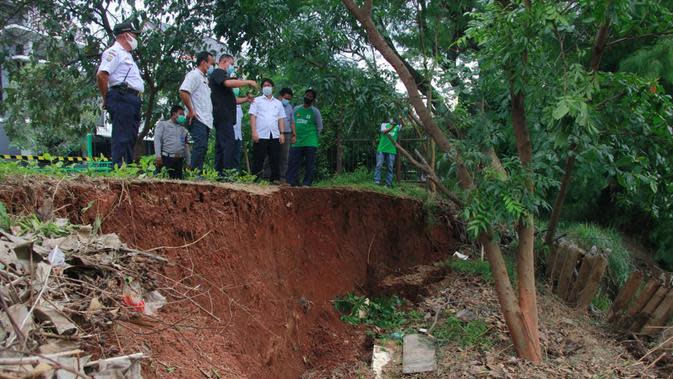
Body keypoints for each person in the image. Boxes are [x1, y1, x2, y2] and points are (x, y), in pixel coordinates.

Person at [96, 22, 144, 167]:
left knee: (130, 136)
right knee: (122, 136)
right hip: (122, 97)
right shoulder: (114, 52)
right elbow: (101, 75)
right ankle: (119, 168)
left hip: (132, 99)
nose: (136, 38)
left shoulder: (126, 55)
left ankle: (126, 167)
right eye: (134, 35)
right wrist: (107, 98)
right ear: (125, 35)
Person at [209, 54, 257, 176]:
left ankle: (219, 173)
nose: (232, 67)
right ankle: (227, 173)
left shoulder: (222, 78)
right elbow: (228, 83)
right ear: (224, 61)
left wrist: (246, 99)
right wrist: (248, 82)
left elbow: (233, 100)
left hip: (225, 116)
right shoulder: (218, 73)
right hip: (223, 115)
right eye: (231, 64)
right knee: (229, 143)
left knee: (221, 145)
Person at [179, 51, 214, 173]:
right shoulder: (193, 75)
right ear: (203, 62)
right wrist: (191, 110)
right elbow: (183, 91)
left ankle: (198, 172)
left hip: (206, 120)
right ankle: (194, 173)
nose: (211, 67)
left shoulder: (204, 78)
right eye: (210, 63)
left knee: (203, 147)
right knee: (200, 145)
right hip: (197, 118)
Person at [249, 79, 285, 183]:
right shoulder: (256, 100)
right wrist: (254, 132)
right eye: (264, 86)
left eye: (268, 85)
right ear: (262, 88)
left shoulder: (278, 103)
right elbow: (253, 117)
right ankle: (255, 179)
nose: (267, 87)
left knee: (275, 158)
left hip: (274, 134)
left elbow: (281, 118)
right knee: (258, 158)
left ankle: (275, 179)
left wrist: (282, 133)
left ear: (272, 87)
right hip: (260, 134)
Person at [286, 89, 323, 187]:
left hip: (310, 141)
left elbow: (320, 127)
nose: (308, 97)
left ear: (313, 99)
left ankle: (307, 183)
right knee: (293, 162)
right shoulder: (296, 109)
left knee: (309, 164)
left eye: (310, 96)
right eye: (307, 95)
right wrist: (293, 135)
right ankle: (291, 182)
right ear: (304, 96)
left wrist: (314, 137)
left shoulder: (315, 111)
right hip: (297, 140)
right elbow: (291, 122)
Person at [154, 105, 190, 179]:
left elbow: (186, 146)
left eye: (183, 115)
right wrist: (158, 156)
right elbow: (157, 140)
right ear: (174, 114)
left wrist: (188, 162)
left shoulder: (184, 130)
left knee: (178, 184)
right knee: (162, 182)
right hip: (166, 159)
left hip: (179, 161)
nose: (183, 116)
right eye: (180, 114)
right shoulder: (163, 125)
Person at [374, 119, 402, 187]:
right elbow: (384, 132)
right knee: (379, 165)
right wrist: (392, 127)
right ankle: (377, 182)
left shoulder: (398, 126)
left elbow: (403, 124)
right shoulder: (384, 124)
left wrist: (401, 118)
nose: (392, 119)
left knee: (390, 168)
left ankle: (388, 184)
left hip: (391, 150)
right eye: (391, 118)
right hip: (382, 149)